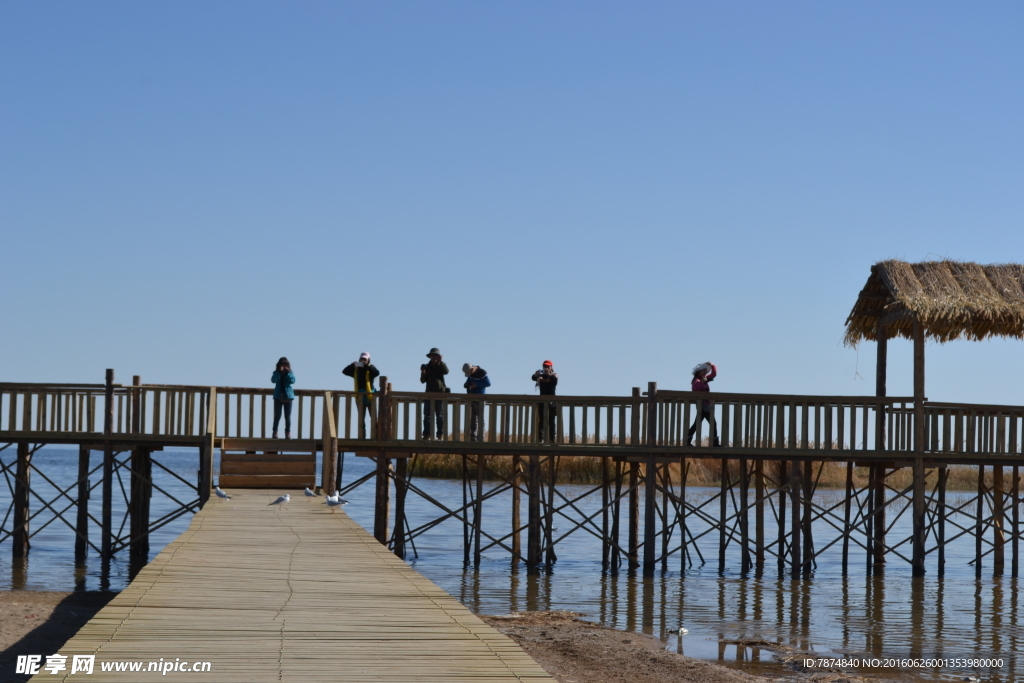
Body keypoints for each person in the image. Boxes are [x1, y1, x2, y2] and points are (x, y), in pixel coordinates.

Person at [342, 352, 380, 438]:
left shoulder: (370, 368)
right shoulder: (356, 370)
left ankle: (376, 436)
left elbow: (377, 373)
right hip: (359, 396)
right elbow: (344, 371)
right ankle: (362, 436)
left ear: (368, 360)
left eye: (365, 359)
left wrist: (365, 366)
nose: (363, 360)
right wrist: (352, 365)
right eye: (361, 359)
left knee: (373, 417)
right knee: (361, 418)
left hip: (370, 396)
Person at [686, 362, 719, 447]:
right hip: (701, 405)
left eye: (705, 370)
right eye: (703, 370)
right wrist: (702, 382)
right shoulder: (696, 379)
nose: (705, 372)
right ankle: (715, 443)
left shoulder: (703, 378)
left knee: (698, 423)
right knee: (710, 423)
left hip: (706, 405)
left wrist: (712, 365)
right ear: (699, 371)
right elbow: (695, 388)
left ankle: (687, 441)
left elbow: (714, 374)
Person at [420, 348, 449, 439]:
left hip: (440, 394)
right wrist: (423, 373)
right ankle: (426, 434)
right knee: (427, 416)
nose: (433, 357)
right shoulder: (426, 367)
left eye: (435, 355)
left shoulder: (441, 365)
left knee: (440, 416)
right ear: (430, 356)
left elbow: (446, 371)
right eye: (432, 355)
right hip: (429, 393)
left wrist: (441, 362)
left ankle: (440, 435)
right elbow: (422, 381)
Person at [462, 363, 491, 442]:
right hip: (472, 398)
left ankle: (481, 437)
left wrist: (476, 385)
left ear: (472, 369)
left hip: (480, 398)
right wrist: (467, 385)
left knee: (480, 418)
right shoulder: (470, 375)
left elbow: (488, 383)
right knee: (473, 419)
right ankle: (473, 436)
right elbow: (467, 382)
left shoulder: (482, 373)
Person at [532, 360, 558, 442]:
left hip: (552, 401)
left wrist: (549, 375)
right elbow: (533, 378)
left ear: (551, 367)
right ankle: (541, 439)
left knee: (552, 421)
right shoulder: (541, 375)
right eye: (544, 366)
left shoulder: (554, 375)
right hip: (542, 400)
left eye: (547, 366)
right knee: (542, 420)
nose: (546, 368)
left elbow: (555, 381)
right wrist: (536, 374)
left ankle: (552, 439)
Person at [271, 357, 295, 439]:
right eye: (282, 365)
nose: (284, 367)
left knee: (287, 417)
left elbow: (293, 380)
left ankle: (288, 432)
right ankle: (275, 432)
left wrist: (287, 373)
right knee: (277, 416)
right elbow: (273, 380)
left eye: (285, 365)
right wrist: (279, 372)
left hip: (288, 397)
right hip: (278, 397)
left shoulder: (290, 372)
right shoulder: (276, 372)